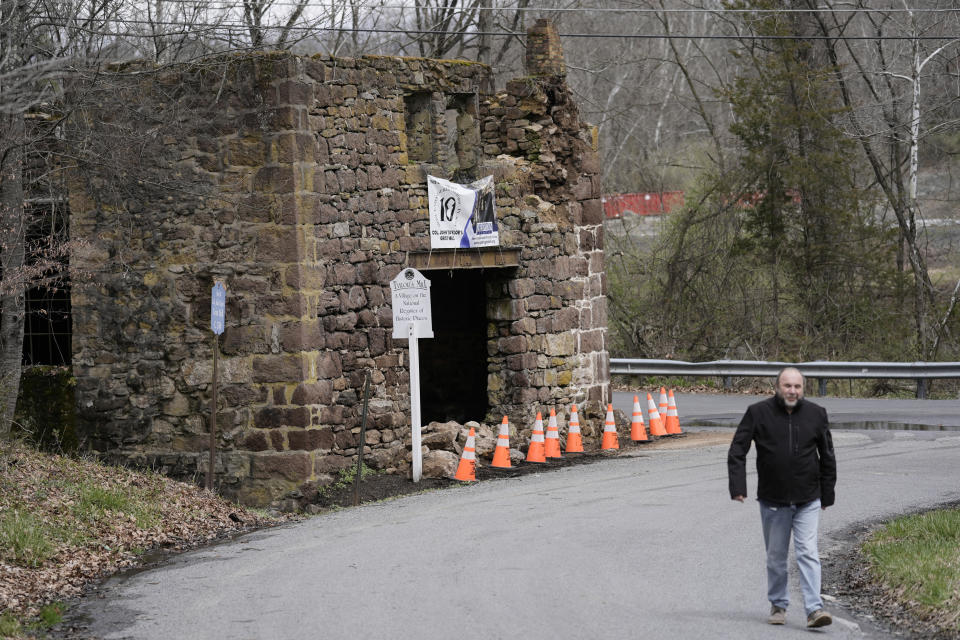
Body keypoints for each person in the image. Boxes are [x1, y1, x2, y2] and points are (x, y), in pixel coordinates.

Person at [727, 367, 837, 628]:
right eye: (787, 386)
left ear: (803, 389)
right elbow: (737, 451)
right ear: (777, 387)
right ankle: (778, 604)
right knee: (776, 556)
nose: (792, 391)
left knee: (808, 552)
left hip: (807, 498)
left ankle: (814, 609)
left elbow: (828, 455)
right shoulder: (758, 412)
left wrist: (827, 493)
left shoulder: (816, 414)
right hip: (773, 500)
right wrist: (738, 486)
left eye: (797, 386)